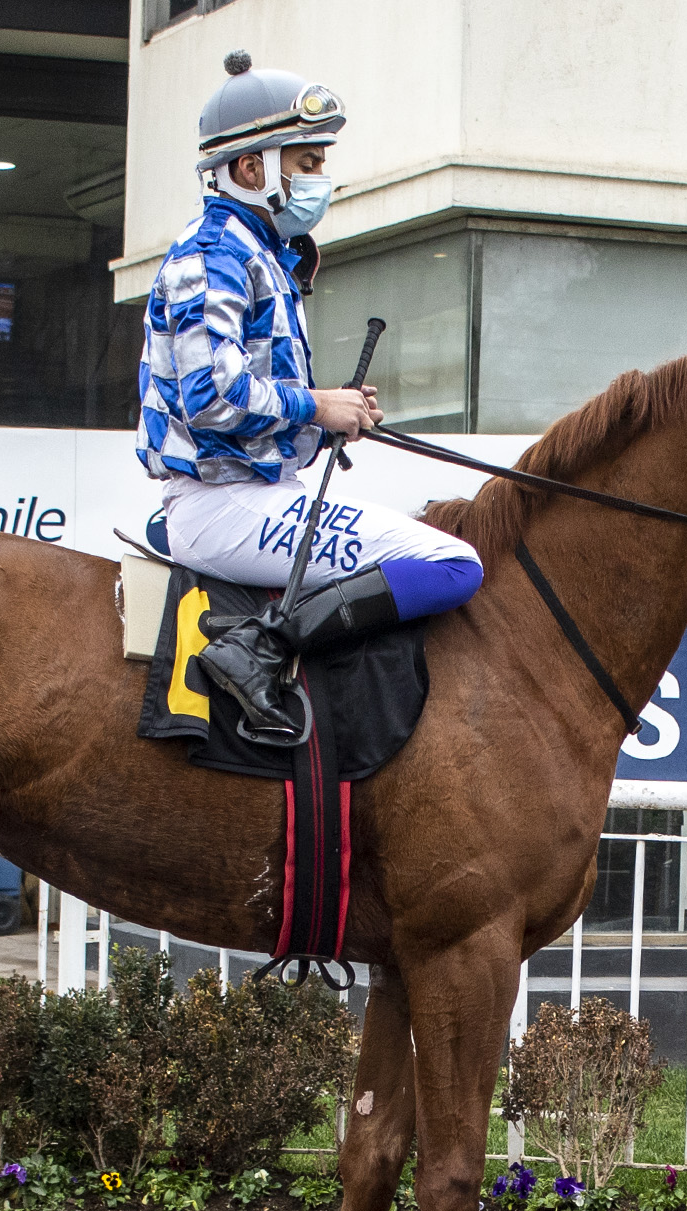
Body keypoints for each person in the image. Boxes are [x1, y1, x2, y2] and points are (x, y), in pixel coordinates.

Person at [137, 52, 483, 743]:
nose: (321, 177)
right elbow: (209, 395)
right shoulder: (215, 255)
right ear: (251, 169)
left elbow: (246, 404)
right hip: (224, 502)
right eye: (308, 162)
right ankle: (260, 648)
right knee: (453, 566)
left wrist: (328, 419)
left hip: (251, 490)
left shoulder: (261, 251)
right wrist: (319, 407)